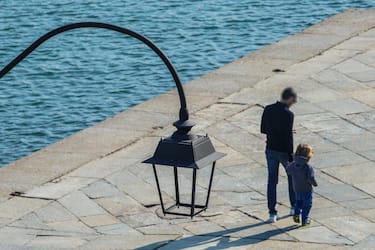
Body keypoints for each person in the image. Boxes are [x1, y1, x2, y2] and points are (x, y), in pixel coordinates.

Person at [261, 87, 297, 223]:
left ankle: (272, 213)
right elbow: (288, 139)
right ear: (288, 99)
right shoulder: (289, 115)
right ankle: (293, 206)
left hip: (270, 149)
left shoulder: (268, 109)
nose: (292, 104)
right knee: (291, 178)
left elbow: (263, 129)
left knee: (272, 181)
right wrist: (290, 156)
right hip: (283, 151)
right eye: (292, 101)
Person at [286, 144, 318, 226]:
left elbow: (288, 170)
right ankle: (305, 220)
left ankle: (296, 215)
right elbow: (310, 178)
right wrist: (315, 184)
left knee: (298, 203)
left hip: (296, 188)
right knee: (307, 205)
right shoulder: (308, 167)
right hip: (306, 189)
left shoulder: (293, 164)